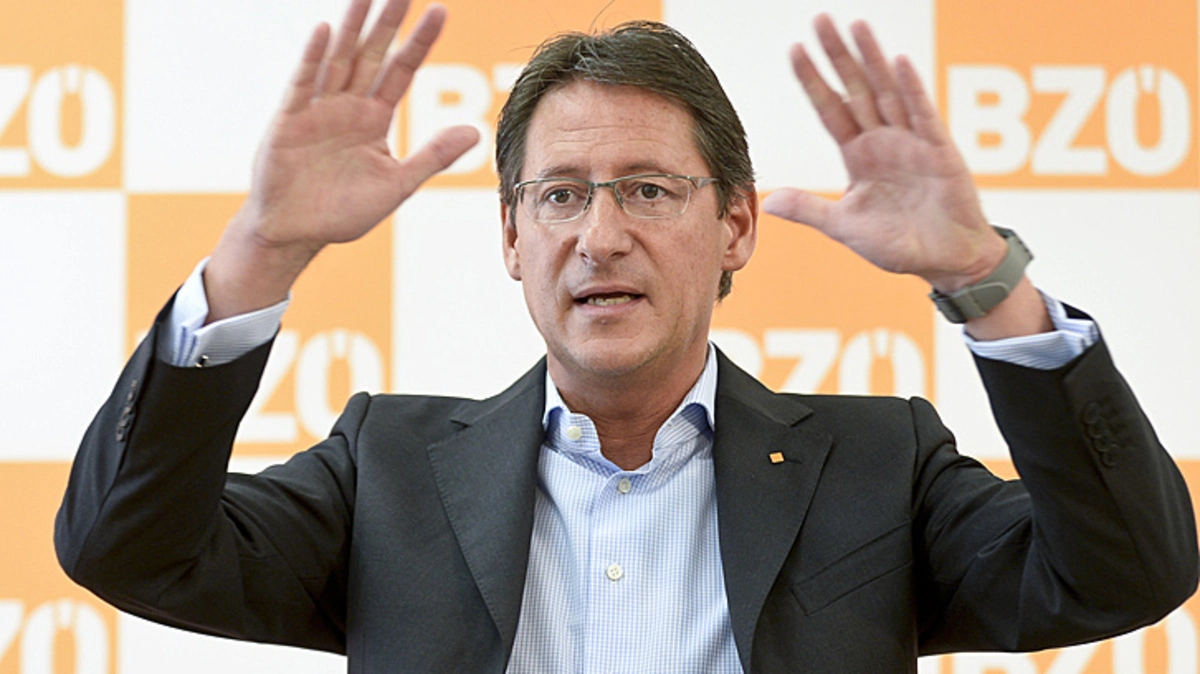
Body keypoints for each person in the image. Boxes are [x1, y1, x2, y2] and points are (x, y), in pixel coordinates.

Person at [55, 0, 1198, 672]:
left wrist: (982, 277)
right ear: (513, 237)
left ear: (735, 223)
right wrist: (262, 250)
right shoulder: (387, 467)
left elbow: (1128, 571)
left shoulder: (879, 462)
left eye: (649, 189)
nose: (599, 235)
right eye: (559, 195)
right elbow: (124, 546)